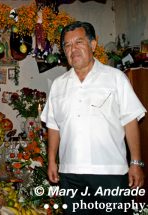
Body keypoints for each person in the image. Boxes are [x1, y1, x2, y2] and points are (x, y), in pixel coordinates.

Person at [41, 21, 146, 214]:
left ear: (93, 45)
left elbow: (130, 121)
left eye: (79, 42)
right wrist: (52, 161)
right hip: (71, 175)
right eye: (67, 45)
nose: (73, 49)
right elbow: (53, 126)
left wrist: (136, 163)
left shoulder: (115, 78)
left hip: (111, 173)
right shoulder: (58, 85)